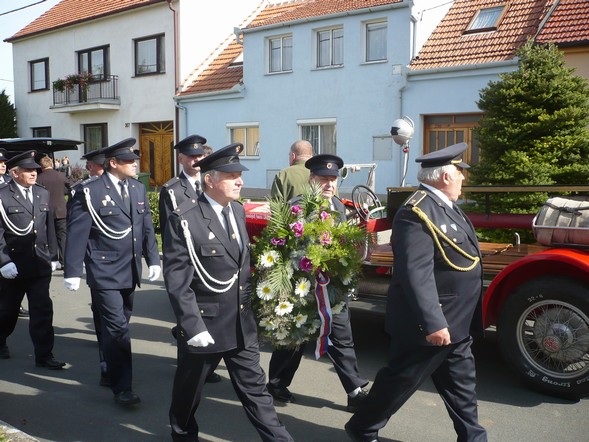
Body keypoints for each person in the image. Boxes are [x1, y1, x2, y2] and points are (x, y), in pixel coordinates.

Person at [345, 143, 487, 442]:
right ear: (446, 176)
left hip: (456, 322)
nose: (464, 178)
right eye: (460, 173)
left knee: (463, 388)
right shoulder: (417, 212)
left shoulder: (446, 207)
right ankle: (361, 427)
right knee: (400, 381)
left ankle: (474, 438)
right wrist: (433, 322)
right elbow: (415, 273)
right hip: (431, 324)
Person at [162, 143, 292, 442]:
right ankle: (182, 434)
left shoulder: (236, 209)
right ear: (210, 179)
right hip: (205, 325)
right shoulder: (185, 218)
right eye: (232, 175)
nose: (240, 181)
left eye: (240, 174)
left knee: (257, 393)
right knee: (188, 391)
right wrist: (191, 325)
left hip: (240, 325)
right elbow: (178, 279)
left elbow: (240, 268)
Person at [267, 154, 369, 412]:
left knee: (343, 338)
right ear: (312, 179)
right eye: (323, 179)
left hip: (332, 289)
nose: (329, 184)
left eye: (333, 179)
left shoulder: (338, 206)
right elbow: (282, 245)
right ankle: (277, 383)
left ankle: (354, 391)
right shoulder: (298, 206)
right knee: (295, 340)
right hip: (302, 288)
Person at [63, 138, 161, 407]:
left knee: (119, 323)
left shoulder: (138, 189)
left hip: (130, 269)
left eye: (135, 160)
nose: (134, 164)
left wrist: (152, 259)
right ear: (113, 163)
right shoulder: (90, 191)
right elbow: (77, 232)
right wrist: (72, 270)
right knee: (117, 329)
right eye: (129, 161)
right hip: (104, 269)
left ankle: (108, 366)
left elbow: (146, 227)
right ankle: (122, 387)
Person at [159, 134, 221, 384]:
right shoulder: (172, 189)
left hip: (211, 259)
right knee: (188, 313)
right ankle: (188, 368)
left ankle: (207, 363)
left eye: (200, 156)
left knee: (213, 313)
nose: (197, 160)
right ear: (180, 158)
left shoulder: (212, 182)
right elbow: (168, 230)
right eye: (192, 156)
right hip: (187, 259)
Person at [0, 150, 64, 368]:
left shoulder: (41, 193)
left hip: (39, 263)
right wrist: (3, 261)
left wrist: (53, 256)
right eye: (28, 170)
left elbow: (49, 228)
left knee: (42, 311)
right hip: (13, 265)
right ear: (14, 173)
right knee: (7, 311)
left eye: (35, 169)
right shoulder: (3, 195)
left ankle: (44, 355)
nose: (33, 173)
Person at [68, 146, 108, 385]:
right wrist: (75, 266)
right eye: (99, 166)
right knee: (104, 315)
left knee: (120, 319)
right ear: (90, 167)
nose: (103, 170)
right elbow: (77, 229)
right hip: (98, 261)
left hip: (123, 264)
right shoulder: (81, 191)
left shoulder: (125, 189)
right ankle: (108, 366)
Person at [0, 149, 28, 318]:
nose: (2, 165)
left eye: (4, 162)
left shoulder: (9, 182)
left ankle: (14, 305)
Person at [36, 156, 69, 269]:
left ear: (41, 166)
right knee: (62, 236)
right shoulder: (61, 176)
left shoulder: (39, 178)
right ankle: (64, 261)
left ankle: (52, 259)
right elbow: (70, 187)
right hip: (61, 210)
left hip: (45, 210)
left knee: (49, 236)